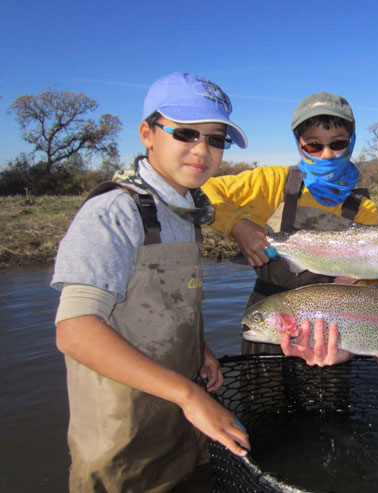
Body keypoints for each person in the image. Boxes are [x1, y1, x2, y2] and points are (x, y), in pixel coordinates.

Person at [52, 71, 250, 491]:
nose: (203, 150)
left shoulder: (186, 210)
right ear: (148, 133)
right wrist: (190, 395)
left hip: (180, 432)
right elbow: (75, 331)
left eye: (216, 139)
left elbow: (162, 307)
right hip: (125, 449)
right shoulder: (113, 213)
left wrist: (200, 348)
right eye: (185, 132)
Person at [203, 92, 378, 361]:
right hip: (268, 320)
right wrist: (237, 226)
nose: (327, 154)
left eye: (338, 143)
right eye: (313, 146)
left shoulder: (363, 209)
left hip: (333, 330)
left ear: (351, 142)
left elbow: (363, 287)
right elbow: (203, 190)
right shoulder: (272, 182)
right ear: (299, 145)